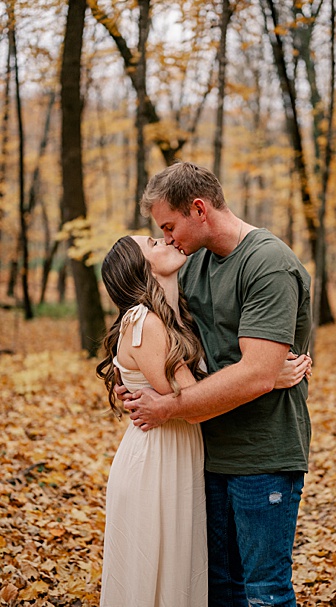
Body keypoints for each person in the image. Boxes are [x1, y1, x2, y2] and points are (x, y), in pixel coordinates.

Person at [122, 162, 312, 606]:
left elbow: (258, 373)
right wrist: (129, 380)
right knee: (219, 589)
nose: (167, 238)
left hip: (262, 454)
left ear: (199, 208)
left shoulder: (268, 263)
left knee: (265, 592)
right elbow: (166, 341)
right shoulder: (194, 265)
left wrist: (170, 407)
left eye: (169, 226)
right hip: (207, 454)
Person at [96, 234, 209, 605]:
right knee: (159, 583)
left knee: (173, 577)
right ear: (141, 267)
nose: (163, 238)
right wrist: (266, 376)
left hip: (171, 454)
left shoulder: (167, 316)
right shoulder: (145, 322)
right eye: (151, 241)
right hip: (156, 464)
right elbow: (192, 402)